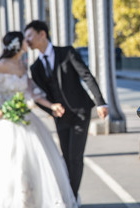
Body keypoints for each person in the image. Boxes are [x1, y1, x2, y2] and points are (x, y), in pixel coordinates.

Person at [0, 32, 78, 208]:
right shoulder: (2, 65)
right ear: (18, 45)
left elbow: (32, 93)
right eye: (26, 40)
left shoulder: (22, 65)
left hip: (23, 116)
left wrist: (51, 105)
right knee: (7, 161)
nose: (28, 42)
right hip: (2, 117)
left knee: (29, 161)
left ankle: (28, 201)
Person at [24, 20, 109, 200]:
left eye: (30, 35)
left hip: (80, 112)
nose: (27, 40)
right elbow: (39, 96)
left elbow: (86, 76)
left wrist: (101, 102)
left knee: (75, 157)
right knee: (66, 157)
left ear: (42, 34)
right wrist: (51, 111)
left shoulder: (67, 52)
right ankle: (69, 194)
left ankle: (72, 196)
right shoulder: (35, 68)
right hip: (61, 117)